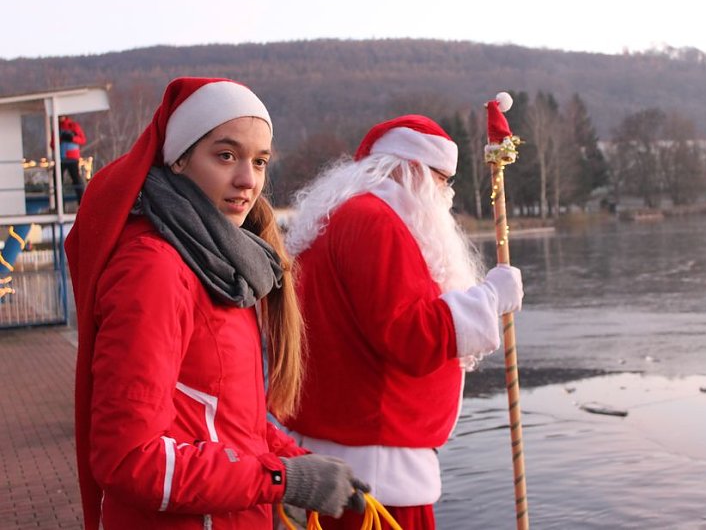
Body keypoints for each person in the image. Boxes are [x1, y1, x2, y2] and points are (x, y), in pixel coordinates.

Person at [65, 77, 367, 530]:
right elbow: (128, 458)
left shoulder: (221, 266)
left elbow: (227, 419)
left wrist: (303, 463)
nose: (248, 180)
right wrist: (281, 479)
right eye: (226, 155)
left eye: (260, 161)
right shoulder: (156, 269)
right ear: (180, 159)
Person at [283, 114, 525, 529]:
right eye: (440, 179)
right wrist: (490, 299)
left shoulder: (337, 219)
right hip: (376, 473)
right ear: (412, 170)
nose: (445, 194)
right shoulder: (375, 221)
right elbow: (408, 334)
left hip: (337, 455)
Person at [58, 114, 87, 203]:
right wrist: (60, 140)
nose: (60, 118)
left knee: (76, 179)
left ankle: (81, 201)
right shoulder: (58, 128)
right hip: (61, 157)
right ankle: (59, 203)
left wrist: (71, 138)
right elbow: (53, 143)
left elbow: (82, 139)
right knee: (58, 180)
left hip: (72, 157)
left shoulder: (73, 126)